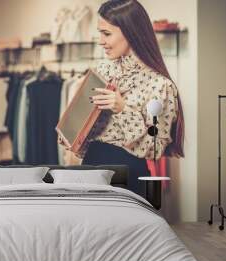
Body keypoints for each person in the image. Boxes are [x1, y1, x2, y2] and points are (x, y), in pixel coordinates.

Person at [61, 0, 185, 197]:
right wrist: (72, 134)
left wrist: (122, 109)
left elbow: (154, 149)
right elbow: (89, 130)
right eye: (99, 32)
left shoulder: (160, 86)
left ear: (130, 32)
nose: (100, 41)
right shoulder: (101, 71)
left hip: (128, 176)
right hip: (90, 169)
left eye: (107, 34)